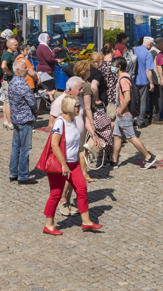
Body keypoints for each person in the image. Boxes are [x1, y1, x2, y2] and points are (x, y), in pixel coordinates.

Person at [43, 95, 102, 235]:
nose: (79, 108)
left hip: (73, 163)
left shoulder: (74, 120)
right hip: (60, 165)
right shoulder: (59, 122)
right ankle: (49, 225)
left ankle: (86, 222)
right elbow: (54, 145)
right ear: (69, 108)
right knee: (56, 194)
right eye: (77, 106)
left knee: (82, 189)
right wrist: (64, 164)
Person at [48, 77, 101, 211]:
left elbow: (83, 117)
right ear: (70, 89)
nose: (82, 91)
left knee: (74, 175)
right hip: (65, 147)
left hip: (77, 143)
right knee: (67, 174)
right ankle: (63, 201)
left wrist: (93, 134)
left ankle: (68, 200)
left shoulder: (78, 100)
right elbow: (51, 125)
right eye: (80, 89)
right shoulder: (59, 102)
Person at [111, 57, 157, 169]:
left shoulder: (123, 79)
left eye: (113, 66)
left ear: (119, 67)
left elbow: (127, 98)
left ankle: (148, 157)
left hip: (124, 114)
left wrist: (121, 110)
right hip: (121, 113)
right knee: (116, 136)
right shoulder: (123, 77)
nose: (112, 68)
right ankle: (114, 161)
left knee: (131, 137)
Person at [8, 59, 38, 185]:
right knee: (25, 148)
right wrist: (36, 110)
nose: (27, 70)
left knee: (16, 147)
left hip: (15, 118)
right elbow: (32, 102)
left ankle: (13, 173)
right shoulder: (22, 85)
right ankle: (23, 176)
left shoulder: (12, 83)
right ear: (18, 70)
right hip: (25, 119)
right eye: (25, 68)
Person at [134, 37, 155, 128]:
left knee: (134, 100)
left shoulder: (134, 49)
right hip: (142, 80)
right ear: (150, 43)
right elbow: (148, 71)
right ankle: (140, 121)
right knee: (142, 101)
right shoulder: (148, 54)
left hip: (133, 79)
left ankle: (133, 118)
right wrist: (151, 83)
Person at [151, 38, 163, 123]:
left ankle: (152, 116)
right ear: (161, 45)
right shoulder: (158, 53)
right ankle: (156, 117)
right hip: (157, 79)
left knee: (152, 98)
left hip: (151, 78)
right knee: (158, 99)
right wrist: (161, 79)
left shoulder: (151, 50)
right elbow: (159, 66)